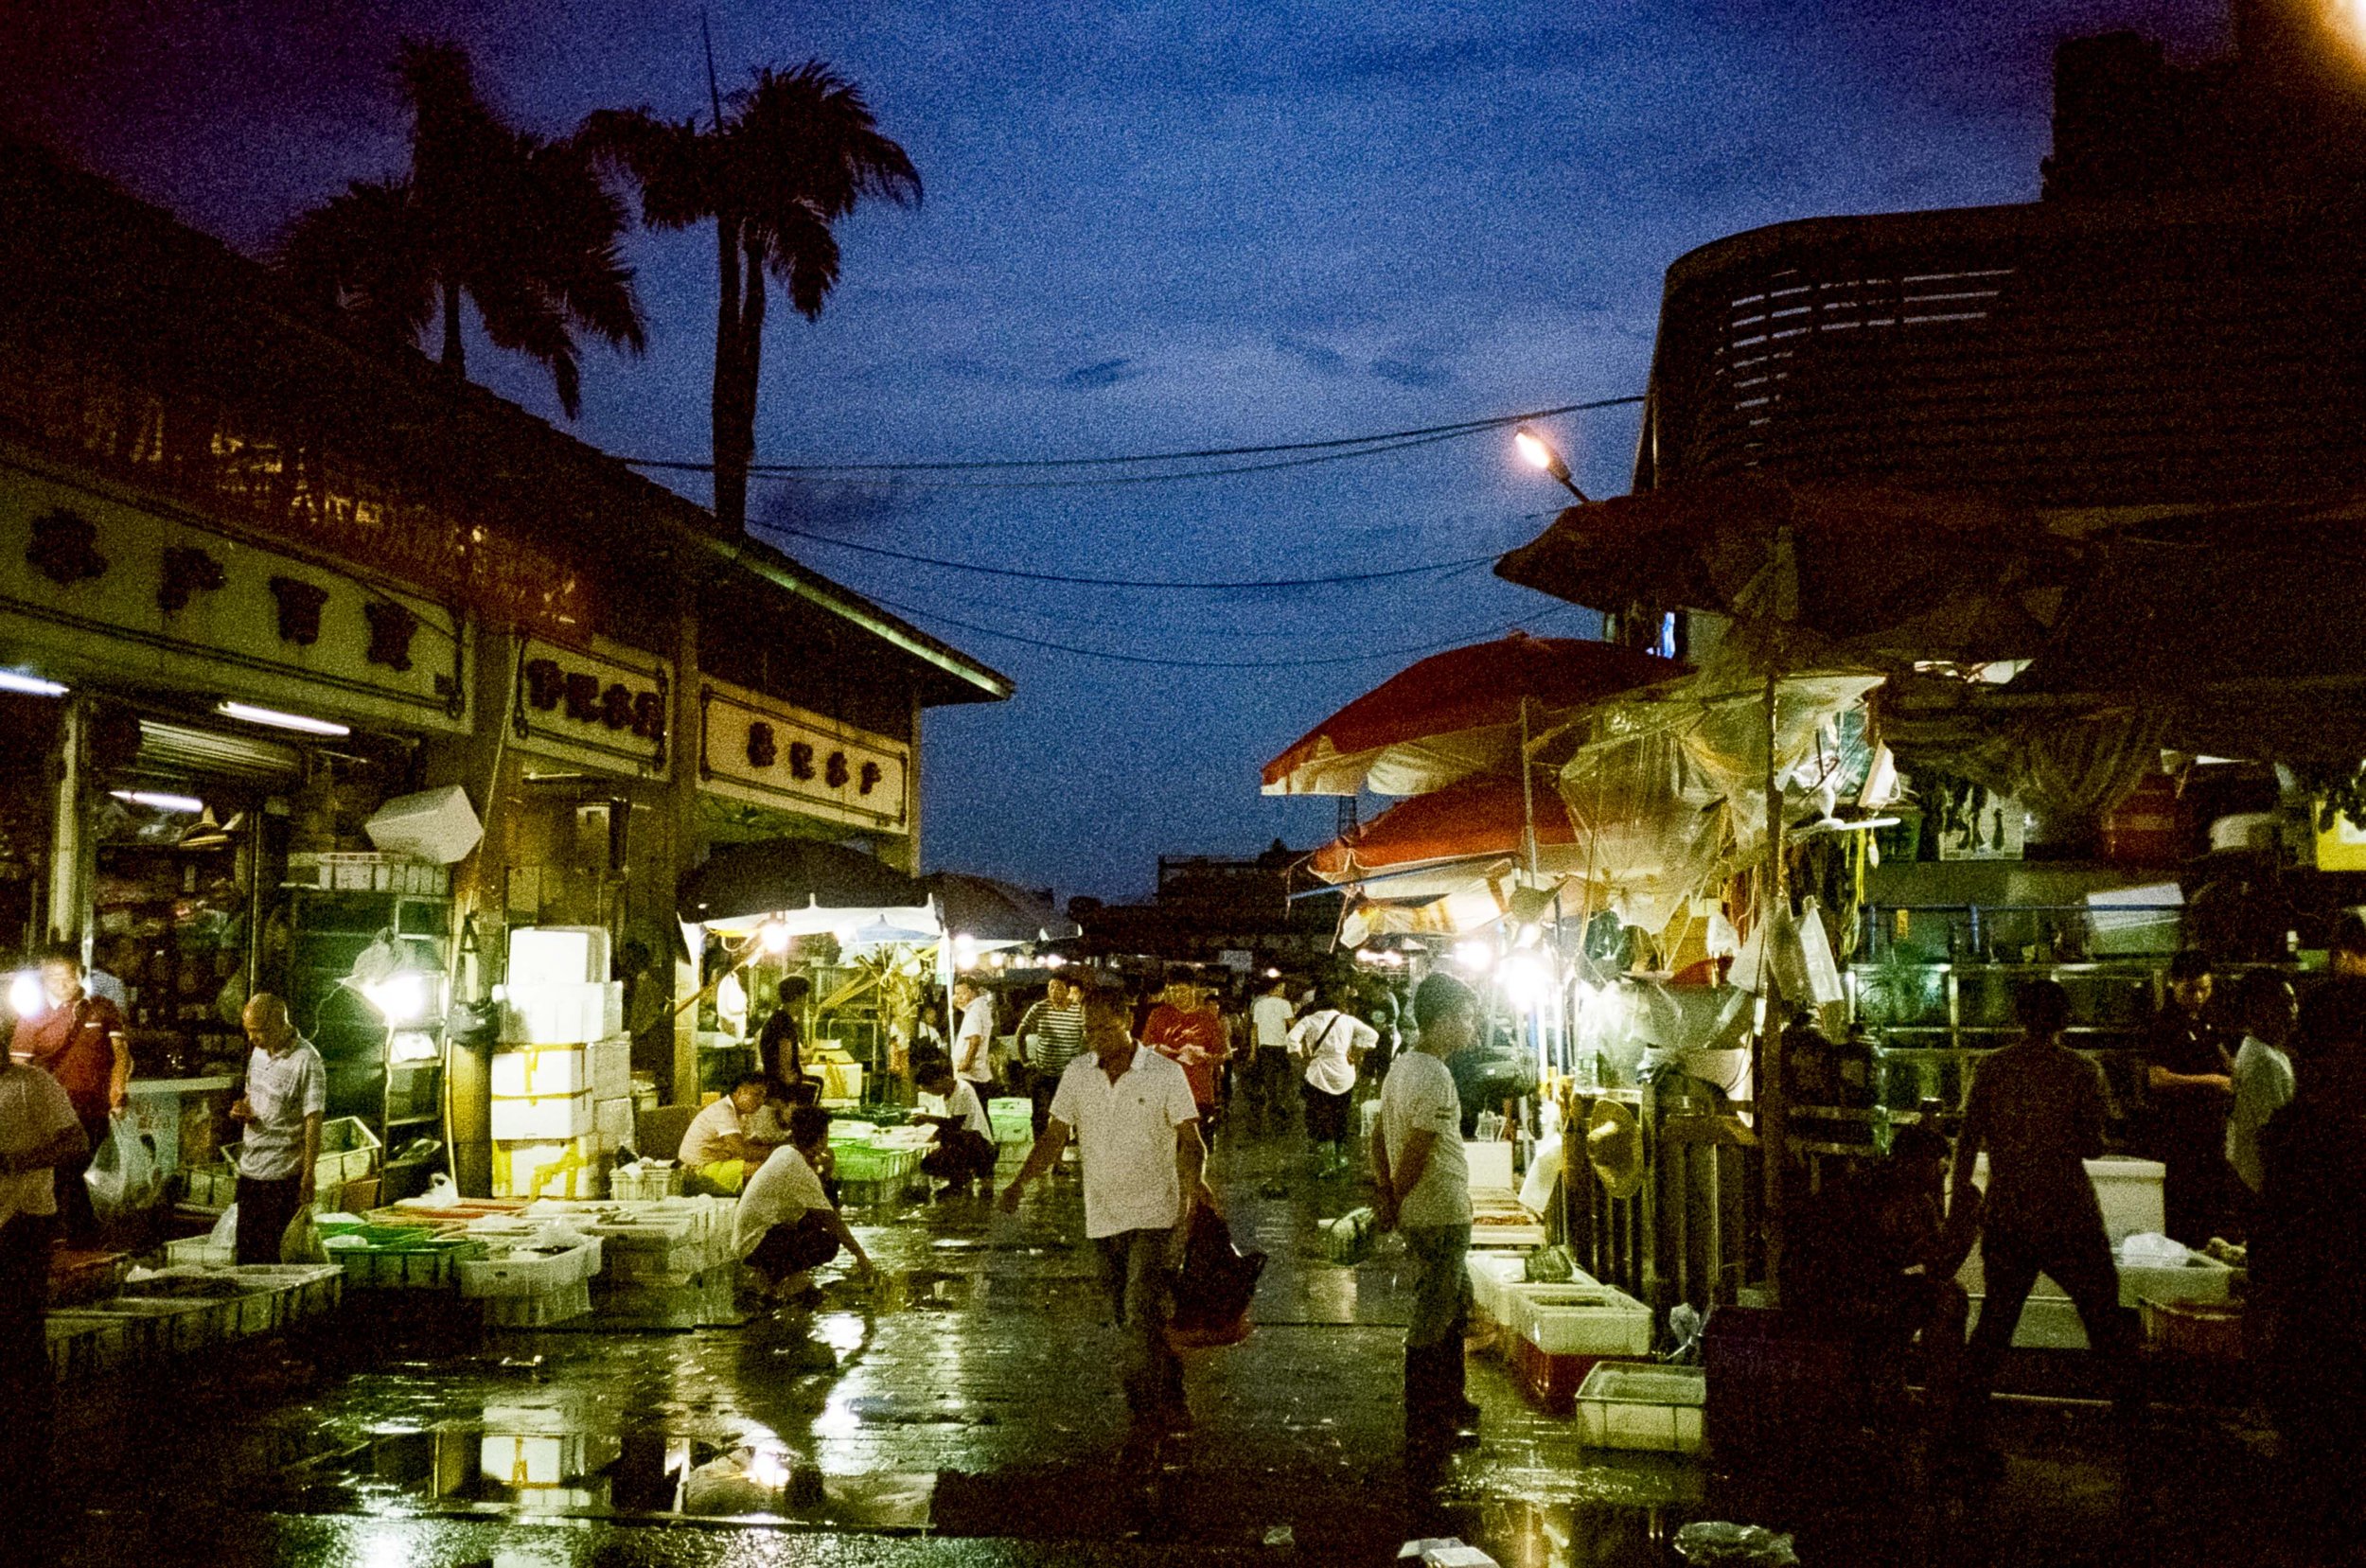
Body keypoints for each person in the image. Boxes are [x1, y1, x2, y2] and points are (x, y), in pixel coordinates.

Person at [1000, 977, 1213, 1446]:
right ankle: (1171, 1387)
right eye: (1088, 1030)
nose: (1095, 1038)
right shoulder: (1078, 1074)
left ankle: (1146, 1413)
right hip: (1102, 1215)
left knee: (1139, 1312)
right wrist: (1019, 1181)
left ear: (1126, 1022)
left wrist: (1191, 1194)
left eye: (1103, 1028)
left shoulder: (1163, 1073)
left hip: (1156, 1214)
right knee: (1130, 1316)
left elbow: (1190, 1141)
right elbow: (1055, 1136)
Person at [1952, 978, 2136, 1455]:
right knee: (2103, 1318)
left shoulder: (1991, 1069)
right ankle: (2134, 1430)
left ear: (2019, 1016)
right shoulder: (2083, 1071)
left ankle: (1961, 1429)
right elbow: (2093, 1146)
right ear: (2064, 1020)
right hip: (2067, 1210)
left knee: (1996, 1320)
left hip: (2009, 1209)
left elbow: (1967, 1141)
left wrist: (1959, 1204)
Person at [2252, 979, 2366, 1559]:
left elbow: (2275, 1236)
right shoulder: (2308, 1125)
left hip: (2313, 1324)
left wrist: (2265, 1313)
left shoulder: (2299, 1128)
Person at [1786, 1123, 1975, 1442]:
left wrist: (1964, 1228)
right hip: (1832, 1292)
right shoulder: (1875, 1195)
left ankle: (1911, 1396)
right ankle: (1915, 1400)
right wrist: (1965, 1227)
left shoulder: (1911, 1197)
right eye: (1938, 1164)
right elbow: (1926, 1261)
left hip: (1860, 1287)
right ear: (1913, 1163)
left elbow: (1937, 1266)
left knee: (1944, 1296)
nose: (1942, 1173)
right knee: (1935, 1301)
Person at [1372, 972, 1482, 1455]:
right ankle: (1426, 1415)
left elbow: (1377, 1133)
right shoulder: (1434, 1074)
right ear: (1439, 1022)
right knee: (1435, 1313)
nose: (1471, 1028)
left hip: (1425, 1207)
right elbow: (1418, 1145)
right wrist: (1395, 1199)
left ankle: (1452, 1400)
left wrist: (1386, 1191)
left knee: (1455, 1305)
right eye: (1465, 1018)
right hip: (1438, 1210)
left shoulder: (1402, 1066)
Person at [0, 1044, 86, 1559]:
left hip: (24, 1221)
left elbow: (74, 1141)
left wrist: (17, 1162)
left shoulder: (34, 1085)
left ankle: (29, 1438)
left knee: (21, 1330)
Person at [13, 943, 130, 1242]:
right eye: (52, 977)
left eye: (67, 976)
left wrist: (118, 1093)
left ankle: (75, 1236)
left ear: (81, 973)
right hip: (50, 1116)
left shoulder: (102, 1008)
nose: (61, 984)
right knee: (63, 1175)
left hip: (91, 1109)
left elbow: (121, 1056)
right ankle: (76, 1237)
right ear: (43, 978)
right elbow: (19, 1068)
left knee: (74, 1171)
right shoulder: (32, 1016)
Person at [733, 1104, 873, 1303]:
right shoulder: (795, 1165)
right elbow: (831, 1219)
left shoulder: (785, 1152)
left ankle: (777, 1281)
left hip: (751, 1239)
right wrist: (861, 1256)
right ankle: (789, 1284)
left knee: (810, 1222)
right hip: (755, 1245)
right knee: (827, 1243)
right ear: (821, 1136)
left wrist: (825, 1171)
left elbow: (818, 1199)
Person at [2141, 949, 2234, 1244]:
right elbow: (2157, 1077)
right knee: (2183, 1211)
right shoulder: (2163, 1023)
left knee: (2210, 1207)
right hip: (2179, 1134)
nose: (2198, 996)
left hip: (2210, 1131)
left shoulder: (2205, 1020)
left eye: (2204, 989)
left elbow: (2226, 1060)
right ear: (2173, 983)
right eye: (2190, 989)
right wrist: (2211, 1081)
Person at [229, 993, 326, 1266]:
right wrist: (243, 1109)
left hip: (283, 1176)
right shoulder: (258, 1054)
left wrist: (309, 1173)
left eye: (258, 1031)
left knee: (274, 1257)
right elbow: (251, 1095)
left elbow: (313, 1120)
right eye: (249, 1031)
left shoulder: (307, 1061)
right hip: (250, 1170)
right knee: (247, 1256)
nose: (252, 1038)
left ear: (280, 1024)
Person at [2224, 970, 2298, 1219]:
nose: (2294, 1010)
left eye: (2294, 1001)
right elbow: (2274, 1133)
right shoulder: (2263, 1060)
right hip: (2261, 1181)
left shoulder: (2264, 1051)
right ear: (2257, 1010)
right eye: (2284, 1004)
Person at [1291, 990, 1376, 1176]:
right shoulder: (1347, 1020)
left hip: (1319, 1074)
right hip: (1344, 1073)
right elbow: (1372, 1035)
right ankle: (1341, 1158)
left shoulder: (1309, 1020)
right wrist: (1357, 1050)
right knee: (1341, 1115)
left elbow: (1291, 1039)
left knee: (1322, 1117)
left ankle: (1328, 1164)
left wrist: (1301, 1054)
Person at [1143, 978, 1229, 1135]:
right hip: (1165, 1093)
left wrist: (1205, 1057)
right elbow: (1145, 1048)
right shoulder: (1158, 1015)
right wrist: (1158, 1050)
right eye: (1173, 991)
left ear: (1193, 989)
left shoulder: (1208, 1018)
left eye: (1182, 990)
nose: (1177, 995)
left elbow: (1221, 1054)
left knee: (1198, 1148)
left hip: (1199, 1093)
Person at [913, 1049, 998, 1196]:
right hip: (965, 1141)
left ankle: (963, 1179)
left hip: (978, 1143)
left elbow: (955, 1124)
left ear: (941, 1080)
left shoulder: (962, 1090)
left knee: (955, 1140)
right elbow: (947, 1124)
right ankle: (961, 1179)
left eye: (931, 1089)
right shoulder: (947, 1096)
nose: (932, 1094)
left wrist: (927, 1118)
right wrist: (930, 1140)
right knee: (928, 1163)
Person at [679, 1074, 782, 1195]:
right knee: (762, 1170)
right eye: (757, 1095)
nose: (761, 1101)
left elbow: (749, 1143)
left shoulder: (743, 1115)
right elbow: (742, 1151)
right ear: (740, 1092)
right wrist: (772, 1152)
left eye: (763, 1096)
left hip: (718, 1163)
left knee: (770, 1165)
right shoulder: (723, 1110)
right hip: (697, 1170)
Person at [1018, 974, 1088, 1136]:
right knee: (1039, 1115)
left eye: (1059, 988)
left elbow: (1087, 1039)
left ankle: (1058, 1156)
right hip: (1043, 1071)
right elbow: (1021, 1033)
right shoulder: (1039, 1008)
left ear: (1067, 991)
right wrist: (1024, 1060)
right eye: (1051, 987)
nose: (1054, 991)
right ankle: (1039, 1153)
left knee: (1063, 1118)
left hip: (1067, 1075)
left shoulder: (1078, 1011)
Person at [1247, 976, 1298, 1132]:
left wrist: (1252, 1051)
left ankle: (1272, 1101)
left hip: (1264, 1047)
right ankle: (1277, 1104)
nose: (1283, 992)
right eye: (1281, 989)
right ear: (1274, 989)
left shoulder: (1259, 1004)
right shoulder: (1285, 1004)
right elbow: (1292, 1025)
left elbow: (1254, 1030)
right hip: (1281, 1046)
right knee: (1284, 1076)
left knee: (1269, 1077)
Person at [756, 978, 811, 1090]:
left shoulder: (778, 1018)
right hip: (781, 1088)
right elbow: (784, 1050)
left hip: (773, 1082)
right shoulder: (784, 1022)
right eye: (805, 998)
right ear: (798, 998)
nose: (806, 1003)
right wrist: (787, 1077)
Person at [951, 976, 998, 1092]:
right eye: (956, 994)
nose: (959, 998)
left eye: (962, 993)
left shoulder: (974, 1012)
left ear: (972, 992)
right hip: (975, 1073)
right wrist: (956, 999)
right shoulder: (980, 1006)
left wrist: (967, 1062)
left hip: (970, 1074)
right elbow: (959, 1004)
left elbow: (975, 1039)